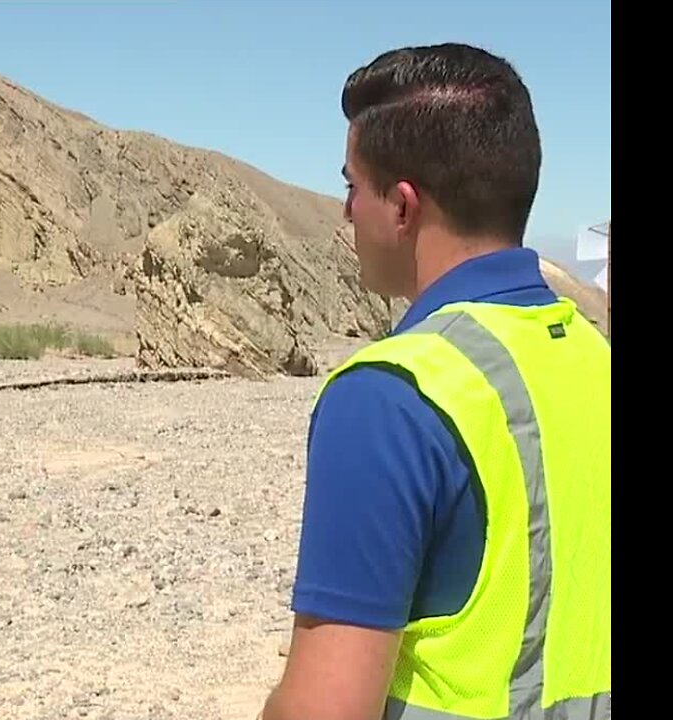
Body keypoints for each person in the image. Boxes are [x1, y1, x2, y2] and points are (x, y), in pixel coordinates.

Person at [259, 43, 610, 720]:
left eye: (351, 187)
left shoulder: (391, 397)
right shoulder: (594, 357)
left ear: (402, 207)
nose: (345, 213)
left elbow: (326, 708)